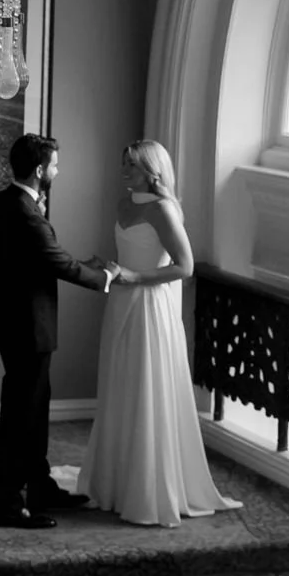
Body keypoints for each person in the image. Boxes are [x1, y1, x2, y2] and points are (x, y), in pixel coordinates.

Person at [77, 138, 241, 528]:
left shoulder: (164, 210)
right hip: (121, 304)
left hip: (150, 307)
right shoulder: (124, 204)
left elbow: (184, 267)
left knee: (146, 387)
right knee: (121, 385)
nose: (124, 173)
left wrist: (134, 276)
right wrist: (111, 268)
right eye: (123, 164)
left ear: (152, 171)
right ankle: (116, 482)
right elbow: (129, 255)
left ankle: (147, 488)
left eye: (131, 167)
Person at [0, 132, 128, 529]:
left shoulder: (4, 201)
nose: (58, 171)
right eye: (55, 165)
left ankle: (40, 485)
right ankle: (8, 504)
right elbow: (57, 263)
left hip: (13, 324)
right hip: (27, 329)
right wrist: (104, 275)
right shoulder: (28, 215)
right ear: (39, 170)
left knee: (35, 406)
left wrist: (85, 263)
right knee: (21, 416)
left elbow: (39, 258)